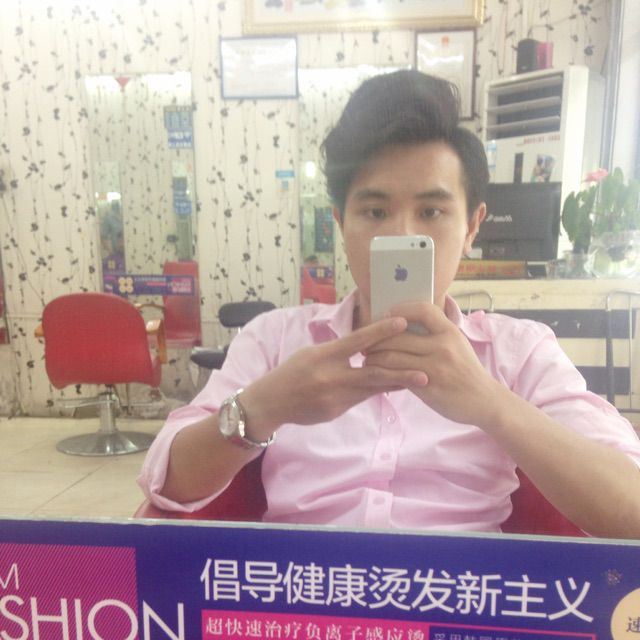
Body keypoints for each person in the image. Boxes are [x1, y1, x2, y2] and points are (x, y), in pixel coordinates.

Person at [139, 70, 640, 537]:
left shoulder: (519, 352)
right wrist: (264, 407)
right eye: (375, 211)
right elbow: (166, 485)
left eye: (432, 211)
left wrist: (490, 404)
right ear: (341, 223)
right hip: (304, 591)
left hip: (455, 594)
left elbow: (632, 509)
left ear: (472, 227)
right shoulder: (275, 340)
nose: (401, 234)